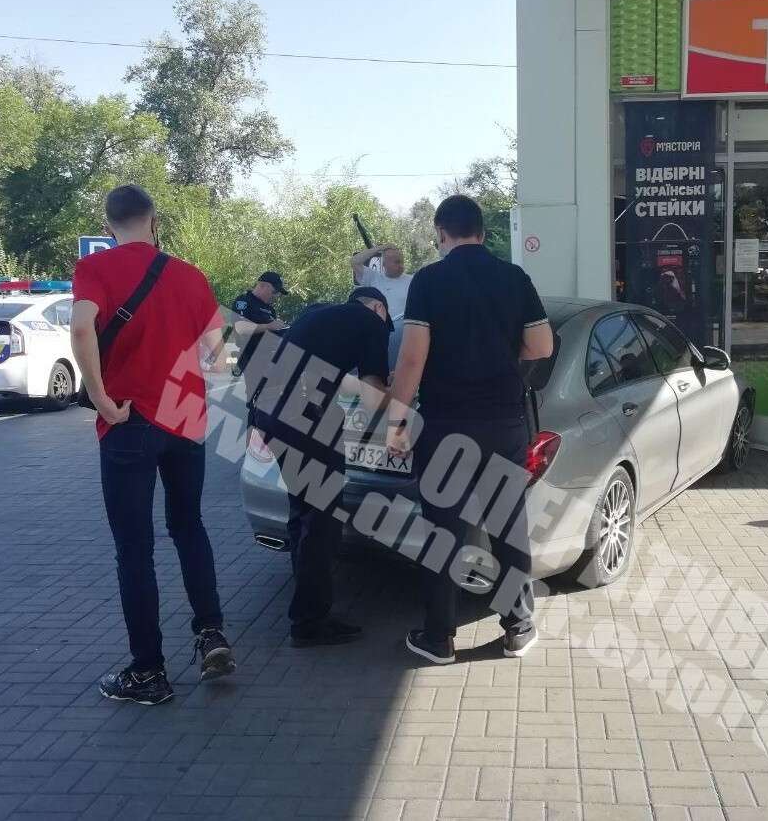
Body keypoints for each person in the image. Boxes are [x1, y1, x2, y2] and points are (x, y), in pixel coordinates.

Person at [71, 184, 235, 706]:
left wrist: (100, 398)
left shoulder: (96, 270)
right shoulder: (188, 274)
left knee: (134, 548)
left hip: (128, 421)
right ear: (153, 220)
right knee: (189, 527)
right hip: (184, 423)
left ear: (108, 222)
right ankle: (211, 634)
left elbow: (80, 332)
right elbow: (219, 356)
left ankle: (148, 671)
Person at [384, 194, 554, 665]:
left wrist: (396, 419)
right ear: (481, 231)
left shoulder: (430, 281)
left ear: (441, 233)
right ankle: (518, 629)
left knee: (443, 532)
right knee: (508, 528)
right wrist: (501, 351)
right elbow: (541, 345)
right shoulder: (514, 277)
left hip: (446, 425)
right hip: (504, 421)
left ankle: (438, 639)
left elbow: (413, 357)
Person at [250, 287, 392, 647]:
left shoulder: (319, 313)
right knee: (324, 518)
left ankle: (306, 598)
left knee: (303, 509)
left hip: (268, 412)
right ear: (379, 307)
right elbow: (374, 390)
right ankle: (310, 621)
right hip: (304, 416)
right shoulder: (370, 322)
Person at [351, 244, 412, 368]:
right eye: (396, 262)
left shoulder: (413, 280)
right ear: (384, 264)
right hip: (380, 336)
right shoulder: (373, 278)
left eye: (401, 261)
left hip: (405, 336)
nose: (400, 265)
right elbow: (354, 261)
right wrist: (380, 248)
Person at [230, 271, 288, 376]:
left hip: (272, 360)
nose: (276, 296)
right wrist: (269, 326)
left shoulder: (270, 309)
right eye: (274, 292)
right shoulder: (244, 301)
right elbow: (240, 327)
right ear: (263, 286)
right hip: (252, 359)